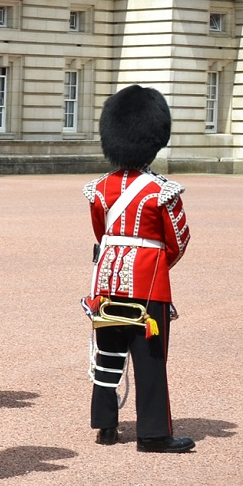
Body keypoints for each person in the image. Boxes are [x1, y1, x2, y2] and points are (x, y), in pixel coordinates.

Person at [85, 85, 195, 453]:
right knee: (149, 359)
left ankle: (105, 425)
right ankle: (153, 434)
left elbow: (101, 232)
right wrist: (156, 266)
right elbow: (178, 240)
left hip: (106, 277)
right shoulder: (162, 191)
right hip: (148, 281)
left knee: (108, 353)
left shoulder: (100, 188)